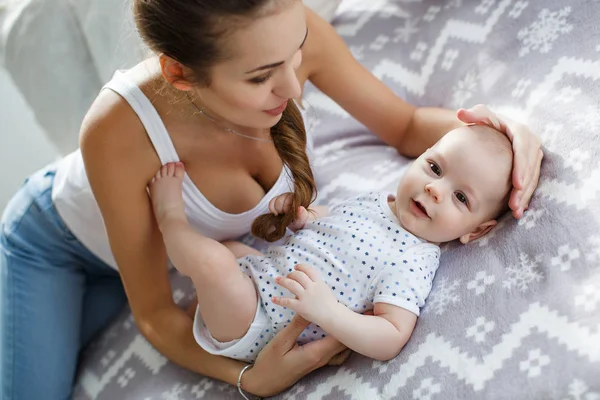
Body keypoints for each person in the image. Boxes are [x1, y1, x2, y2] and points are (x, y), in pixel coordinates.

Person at [0, 0, 543, 398]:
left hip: (168, 258)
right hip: (61, 251)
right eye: (262, 78)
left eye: (296, 53)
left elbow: (405, 126)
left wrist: (508, 136)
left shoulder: (286, 31)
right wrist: (248, 378)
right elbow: (155, 313)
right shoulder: (118, 128)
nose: (296, 87)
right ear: (179, 73)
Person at [148, 123, 513, 371]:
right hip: (260, 276)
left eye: (461, 197)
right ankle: (204, 300)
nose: (436, 188)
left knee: (212, 261)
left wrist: (329, 313)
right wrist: (302, 218)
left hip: (263, 324)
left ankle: (169, 219)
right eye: (434, 167)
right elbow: (330, 223)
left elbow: (391, 336)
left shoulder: (414, 258)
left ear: (476, 231)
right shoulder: (376, 202)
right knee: (230, 249)